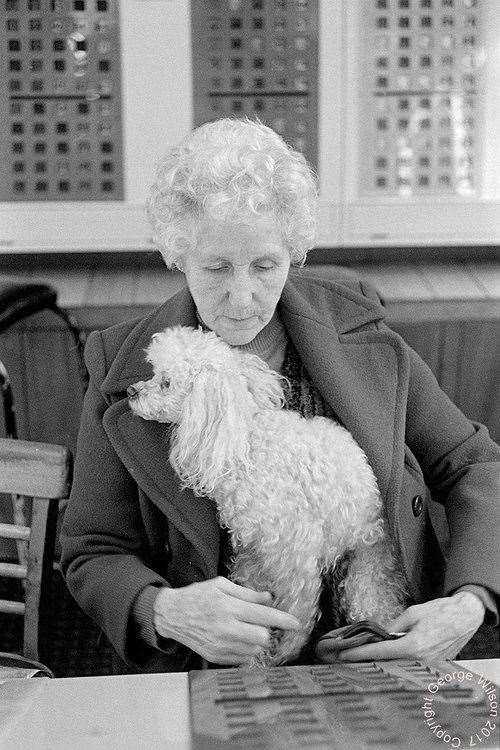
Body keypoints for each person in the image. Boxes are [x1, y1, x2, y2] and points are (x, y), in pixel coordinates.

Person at [61, 118, 499, 674]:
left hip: (379, 649)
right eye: (216, 267)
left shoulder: (361, 336)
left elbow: (475, 466)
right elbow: (91, 550)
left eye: (265, 266)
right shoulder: (126, 367)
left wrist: (468, 603)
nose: (242, 297)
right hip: (214, 671)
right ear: (178, 256)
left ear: (293, 252)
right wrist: (164, 609)